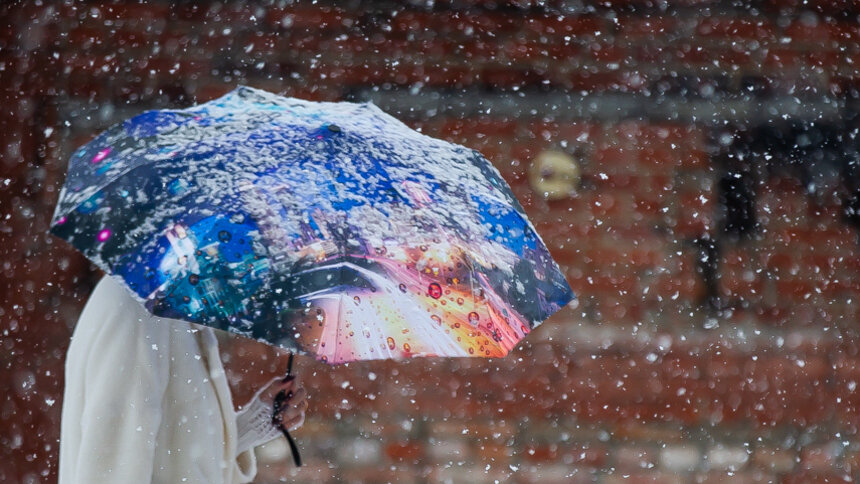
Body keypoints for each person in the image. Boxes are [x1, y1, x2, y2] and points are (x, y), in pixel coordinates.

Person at [58, 275, 307, 484]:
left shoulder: (171, 309)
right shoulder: (138, 310)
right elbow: (113, 463)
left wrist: (253, 424)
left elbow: (179, 456)